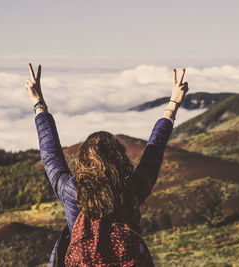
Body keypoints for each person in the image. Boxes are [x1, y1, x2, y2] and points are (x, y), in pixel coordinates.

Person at [25, 63, 189, 266]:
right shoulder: (132, 189)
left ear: (83, 161)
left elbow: (50, 153)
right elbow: (154, 150)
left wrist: (38, 103)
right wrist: (173, 104)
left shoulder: (71, 191)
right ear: (120, 158)